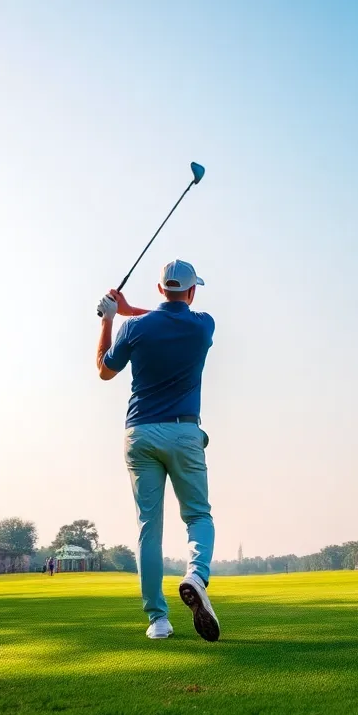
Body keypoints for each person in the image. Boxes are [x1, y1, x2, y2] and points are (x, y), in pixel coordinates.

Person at [96, 259, 220, 642]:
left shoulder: (134, 328)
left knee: (149, 529)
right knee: (198, 516)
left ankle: (158, 621)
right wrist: (128, 311)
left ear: (160, 289)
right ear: (192, 291)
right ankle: (196, 575)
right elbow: (170, 318)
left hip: (141, 433)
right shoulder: (204, 325)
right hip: (184, 431)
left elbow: (104, 370)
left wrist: (110, 318)